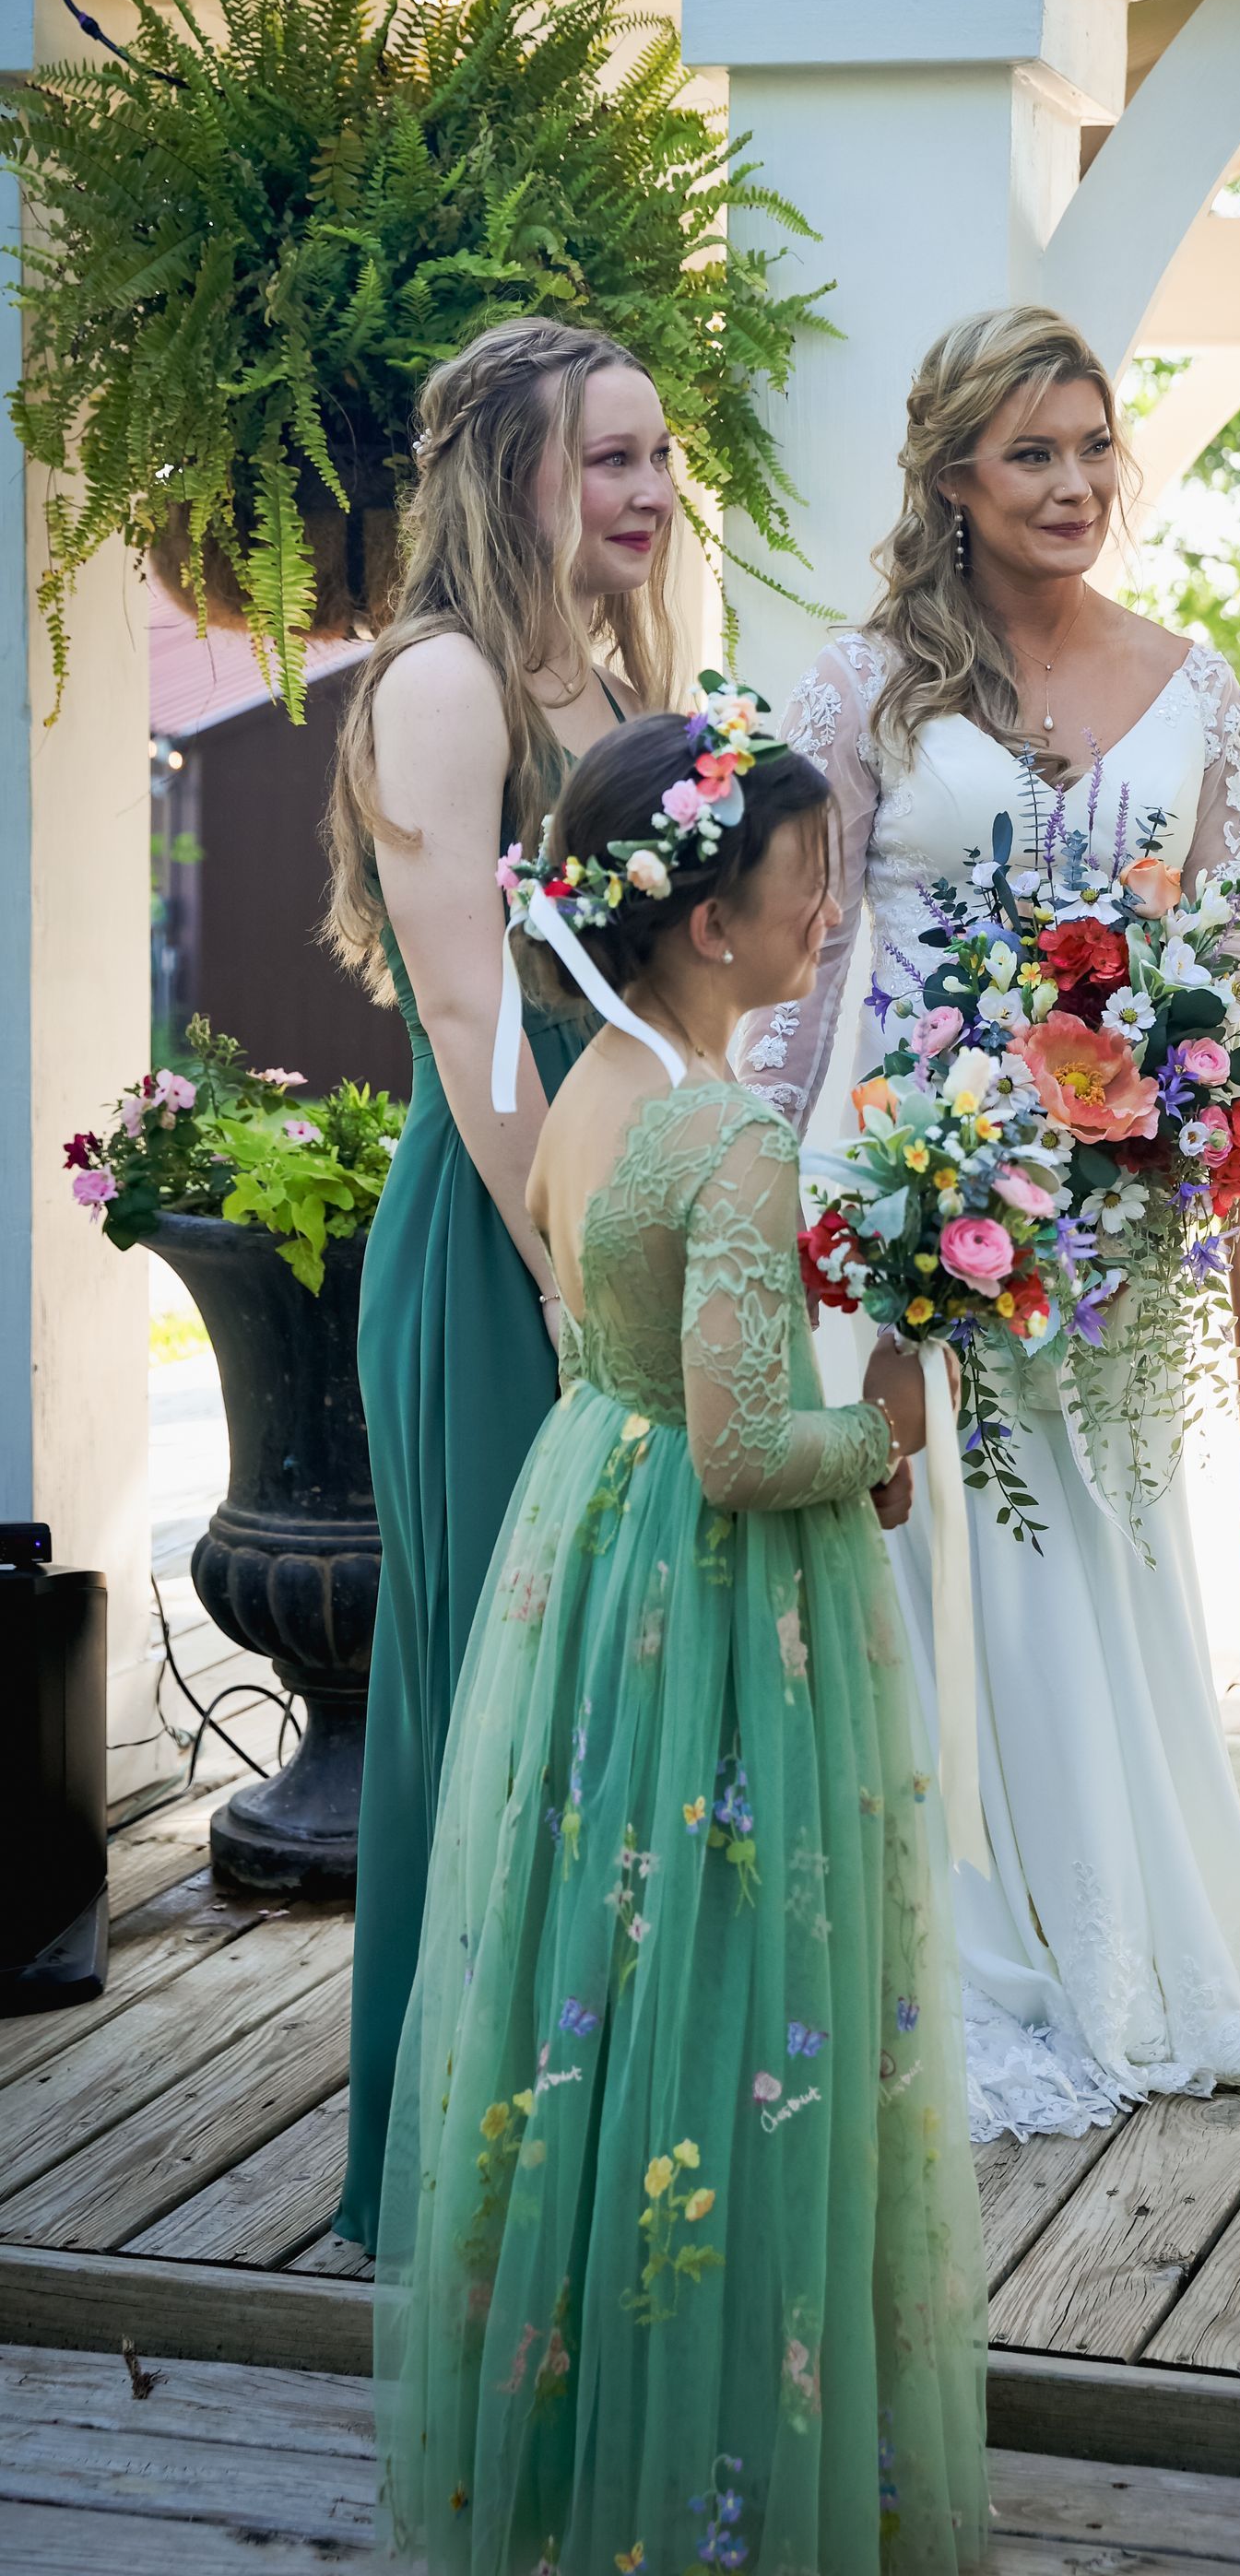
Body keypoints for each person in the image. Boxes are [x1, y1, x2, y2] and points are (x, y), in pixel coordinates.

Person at [737, 304, 1240, 2144]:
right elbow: (803, 962)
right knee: (937, 1550)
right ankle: (962, 1940)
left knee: (1093, 1552)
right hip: (905, 1193)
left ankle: (1120, 1936)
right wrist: (762, 1190)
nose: (1075, 484)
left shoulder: (1195, 683)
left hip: (1108, 1211)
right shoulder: (864, 690)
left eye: (1094, 447)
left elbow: (1237, 960)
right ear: (953, 476)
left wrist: (1173, 1130)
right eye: (1032, 454)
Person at [374, 701, 988, 2575]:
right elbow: (740, 1452)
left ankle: (576, 2451)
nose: (829, 920)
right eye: (808, 886)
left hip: (590, 1557)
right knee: (738, 1975)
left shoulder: (590, 1091)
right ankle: (738, 2460)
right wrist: (882, 1430)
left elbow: (616, 1362)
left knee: (606, 1975)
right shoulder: (722, 1128)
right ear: (708, 918)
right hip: (717, 1602)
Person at [325, 317, 680, 2249]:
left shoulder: (606, 674)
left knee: (612, 1686)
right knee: (498, 1688)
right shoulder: (448, 684)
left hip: (606, 1215)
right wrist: (569, 1260)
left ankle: (606, 2143)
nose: (644, 493)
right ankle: (459, 2186)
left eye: (653, 458)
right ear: (510, 470)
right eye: (604, 458)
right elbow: (471, 1008)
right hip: (499, 1238)